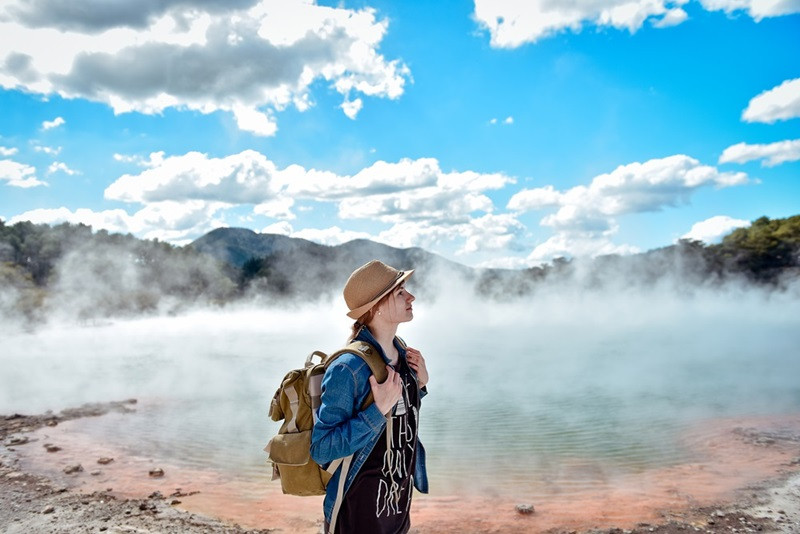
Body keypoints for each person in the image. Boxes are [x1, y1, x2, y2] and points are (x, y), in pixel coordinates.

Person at [310, 260, 429, 534]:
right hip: (357, 516)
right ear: (375, 306)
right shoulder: (348, 368)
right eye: (400, 292)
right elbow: (322, 449)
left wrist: (420, 385)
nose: (411, 297)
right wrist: (377, 411)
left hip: (397, 510)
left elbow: (400, 421)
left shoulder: (402, 352)